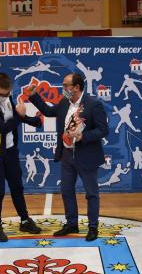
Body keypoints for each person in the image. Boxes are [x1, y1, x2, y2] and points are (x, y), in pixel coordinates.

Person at [27, 73, 109, 241]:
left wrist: (83, 137)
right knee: (66, 191)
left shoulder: (94, 105)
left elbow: (103, 130)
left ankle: (93, 227)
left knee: (91, 193)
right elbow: (49, 111)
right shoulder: (65, 102)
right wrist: (34, 95)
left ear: (76, 87)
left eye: (65, 85)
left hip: (86, 155)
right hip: (66, 155)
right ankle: (72, 223)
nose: (62, 88)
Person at [0, 72, 42, 242]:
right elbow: (2, 127)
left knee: (17, 187)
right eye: (2, 94)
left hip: (10, 151)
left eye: (8, 93)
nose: (5, 97)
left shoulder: (7, 99)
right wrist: (20, 117)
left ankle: (25, 220)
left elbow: (14, 116)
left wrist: (31, 120)